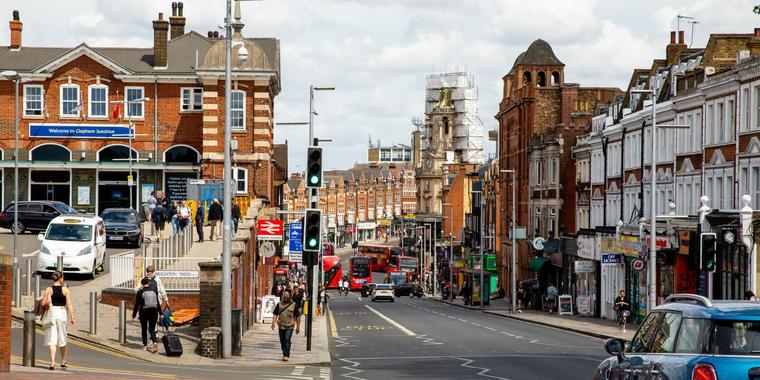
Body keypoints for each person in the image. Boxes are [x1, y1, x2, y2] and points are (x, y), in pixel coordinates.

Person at [42, 271, 74, 370]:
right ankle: (63, 361)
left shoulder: (48, 289)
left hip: (52, 313)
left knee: (52, 338)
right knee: (62, 337)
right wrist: (72, 317)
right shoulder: (65, 290)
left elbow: (44, 303)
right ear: (61, 278)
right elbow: (69, 304)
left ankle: (52, 362)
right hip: (62, 313)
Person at [271, 289, 301, 362]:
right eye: (284, 295)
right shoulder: (279, 304)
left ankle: (286, 355)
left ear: (290, 296)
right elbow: (275, 314)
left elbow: (297, 316)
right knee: (282, 341)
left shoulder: (294, 305)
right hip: (281, 325)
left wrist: (298, 327)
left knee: (287, 339)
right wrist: (273, 323)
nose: (285, 296)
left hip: (290, 326)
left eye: (287, 295)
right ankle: (285, 351)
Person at [132, 277, 160, 352]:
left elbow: (137, 304)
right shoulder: (154, 291)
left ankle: (145, 346)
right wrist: (161, 313)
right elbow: (157, 303)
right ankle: (154, 342)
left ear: (142, 284)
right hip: (154, 311)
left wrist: (134, 315)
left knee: (144, 329)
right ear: (148, 283)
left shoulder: (140, 292)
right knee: (152, 329)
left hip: (144, 312)